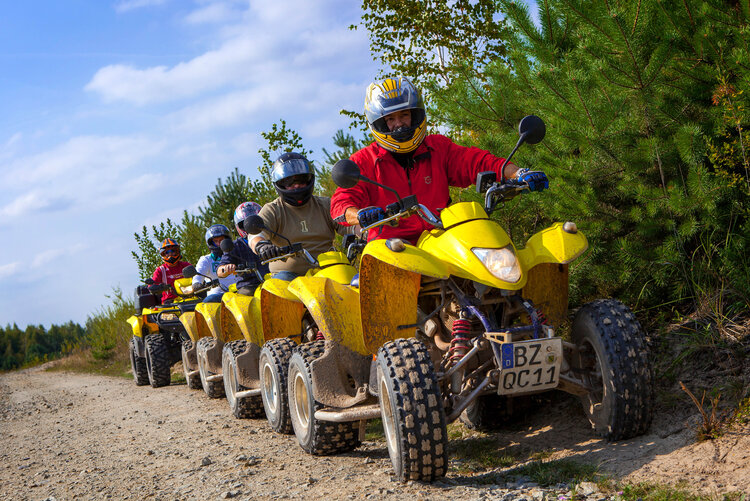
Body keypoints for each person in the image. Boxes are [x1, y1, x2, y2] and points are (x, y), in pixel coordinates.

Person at [330, 76, 549, 244]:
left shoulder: (438, 147)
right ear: (379, 123)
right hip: (392, 244)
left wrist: (519, 173)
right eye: (390, 119)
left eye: (404, 115)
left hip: (441, 236)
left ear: (415, 115)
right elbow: (341, 202)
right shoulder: (364, 161)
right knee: (385, 266)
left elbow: (476, 161)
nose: (399, 124)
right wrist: (358, 214)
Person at [247, 152, 359, 281]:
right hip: (289, 275)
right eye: (289, 182)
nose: (296, 185)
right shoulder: (273, 209)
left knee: (353, 284)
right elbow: (255, 235)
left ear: (309, 179)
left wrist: (365, 229)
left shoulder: (325, 204)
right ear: (280, 184)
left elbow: (350, 225)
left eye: (301, 180)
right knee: (279, 291)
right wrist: (262, 246)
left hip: (328, 268)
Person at [216, 202, 269, 295]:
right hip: (249, 285)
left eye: (255, 222)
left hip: (275, 279)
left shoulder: (272, 237)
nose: (251, 226)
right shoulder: (235, 246)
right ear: (239, 226)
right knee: (245, 303)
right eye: (245, 224)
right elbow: (220, 271)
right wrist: (227, 268)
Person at [192, 224, 240, 303]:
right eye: (215, 241)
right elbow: (197, 277)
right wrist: (197, 284)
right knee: (208, 301)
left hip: (239, 291)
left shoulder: (236, 255)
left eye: (221, 240)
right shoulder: (206, 260)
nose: (219, 244)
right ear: (210, 243)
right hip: (218, 295)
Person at [151, 238, 192, 304]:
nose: (170, 254)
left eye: (173, 251)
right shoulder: (160, 270)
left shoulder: (186, 265)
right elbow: (151, 286)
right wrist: (158, 287)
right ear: (163, 254)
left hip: (190, 297)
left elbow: (197, 277)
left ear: (177, 251)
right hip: (169, 302)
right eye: (167, 252)